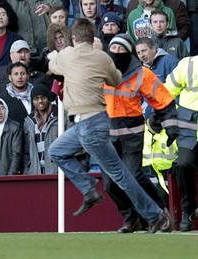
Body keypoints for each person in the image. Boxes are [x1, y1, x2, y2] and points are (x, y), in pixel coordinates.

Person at [47, 18, 171, 233]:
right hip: (91, 122)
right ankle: (89, 190)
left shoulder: (67, 55)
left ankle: (155, 215)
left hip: (92, 124)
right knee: (56, 151)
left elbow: (51, 64)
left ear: (74, 38)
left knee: (120, 175)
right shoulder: (103, 57)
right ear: (91, 36)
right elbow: (115, 80)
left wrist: (53, 57)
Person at [103, 34, 178, 233]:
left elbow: (163, 100)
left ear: (129, 53)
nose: (116, 53)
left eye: (120, 50)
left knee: (133, 176)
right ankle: (131, 219)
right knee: (110, 183)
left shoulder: (142, 74)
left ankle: (160, 212)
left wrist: (171, 126)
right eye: (113, 49)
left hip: (132, 133)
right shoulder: (101, 71)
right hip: (107, 135)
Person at [0, 40, 53, 128]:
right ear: (11, 55)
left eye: (26, 52)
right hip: (7, 130)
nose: (23, 55)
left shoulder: (39, 76)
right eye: (19, 52)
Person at [164, 55, 198, 231]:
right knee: (182, 164)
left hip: (188, 128)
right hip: (188, 130)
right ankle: (188, 210)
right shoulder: (188, 64)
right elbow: (166, 93)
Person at [23, 83, 58, 175]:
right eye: (36, 98)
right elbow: (26, 151)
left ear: (48, 98)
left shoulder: (60, 116)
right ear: (32, 101)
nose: (40, 101)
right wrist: (27, 170)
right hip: (36, 172)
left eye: (43, 97)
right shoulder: (28, 121)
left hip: (57, 171)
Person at [0, 97, 23, 176]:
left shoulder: (14, 128)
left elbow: (16, 154)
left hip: (6, 174)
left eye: (2, 108)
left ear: (6, 110)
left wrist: (10, 175)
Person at [126, 0, 191, 41]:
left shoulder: (169, 10)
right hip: (140, 54)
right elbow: (131, 36)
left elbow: (173, 33)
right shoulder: (132, 11)